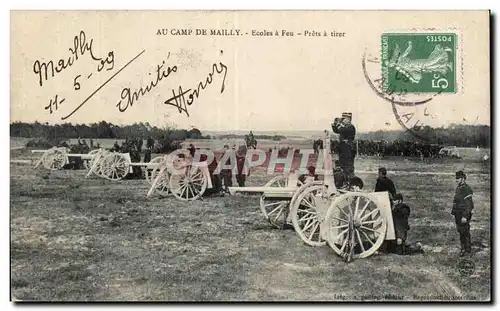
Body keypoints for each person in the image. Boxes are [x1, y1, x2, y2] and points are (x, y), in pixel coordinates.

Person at [452, 170, 474, 256]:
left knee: (464, 231)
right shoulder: (459, 187)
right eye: (456, 178)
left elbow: (469, 205)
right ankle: (464, 248)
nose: (456, 180)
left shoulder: (467, 189)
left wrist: (465, 216)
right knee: (461, 231)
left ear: (463, 178)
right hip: (458, 213)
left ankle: (466, 250)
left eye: (458, 178)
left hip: (463, 214)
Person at [331, 112, 356, 179]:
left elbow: (340, 130)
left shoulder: (350, 127)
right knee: (342, 164)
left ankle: (350, 180)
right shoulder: (345, 126)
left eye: (343, 119)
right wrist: (334, 124)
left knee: (348, 166)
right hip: (343, 148)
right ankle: (345, 179)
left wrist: (339, 124)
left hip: (348, 148)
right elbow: (336, 130)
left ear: (348, 119)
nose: (342, 120)